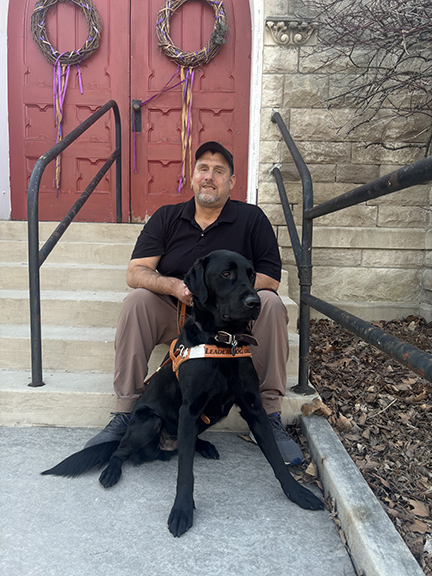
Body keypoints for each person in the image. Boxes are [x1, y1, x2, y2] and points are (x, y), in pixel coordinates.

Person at [86, 141, 303, 465]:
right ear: (192, 176)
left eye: (219, 171)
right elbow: (136, 272)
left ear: (231, 181)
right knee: (137, 301)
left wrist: (217, 295)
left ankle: (269, 415)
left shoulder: (251, 219)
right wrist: (172, 285)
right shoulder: (167, 217)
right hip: (176, 311)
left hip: (229, 318)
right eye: (203, 168)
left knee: (270, 304)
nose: (209, 177)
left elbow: (270, 277)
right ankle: (126, 413)